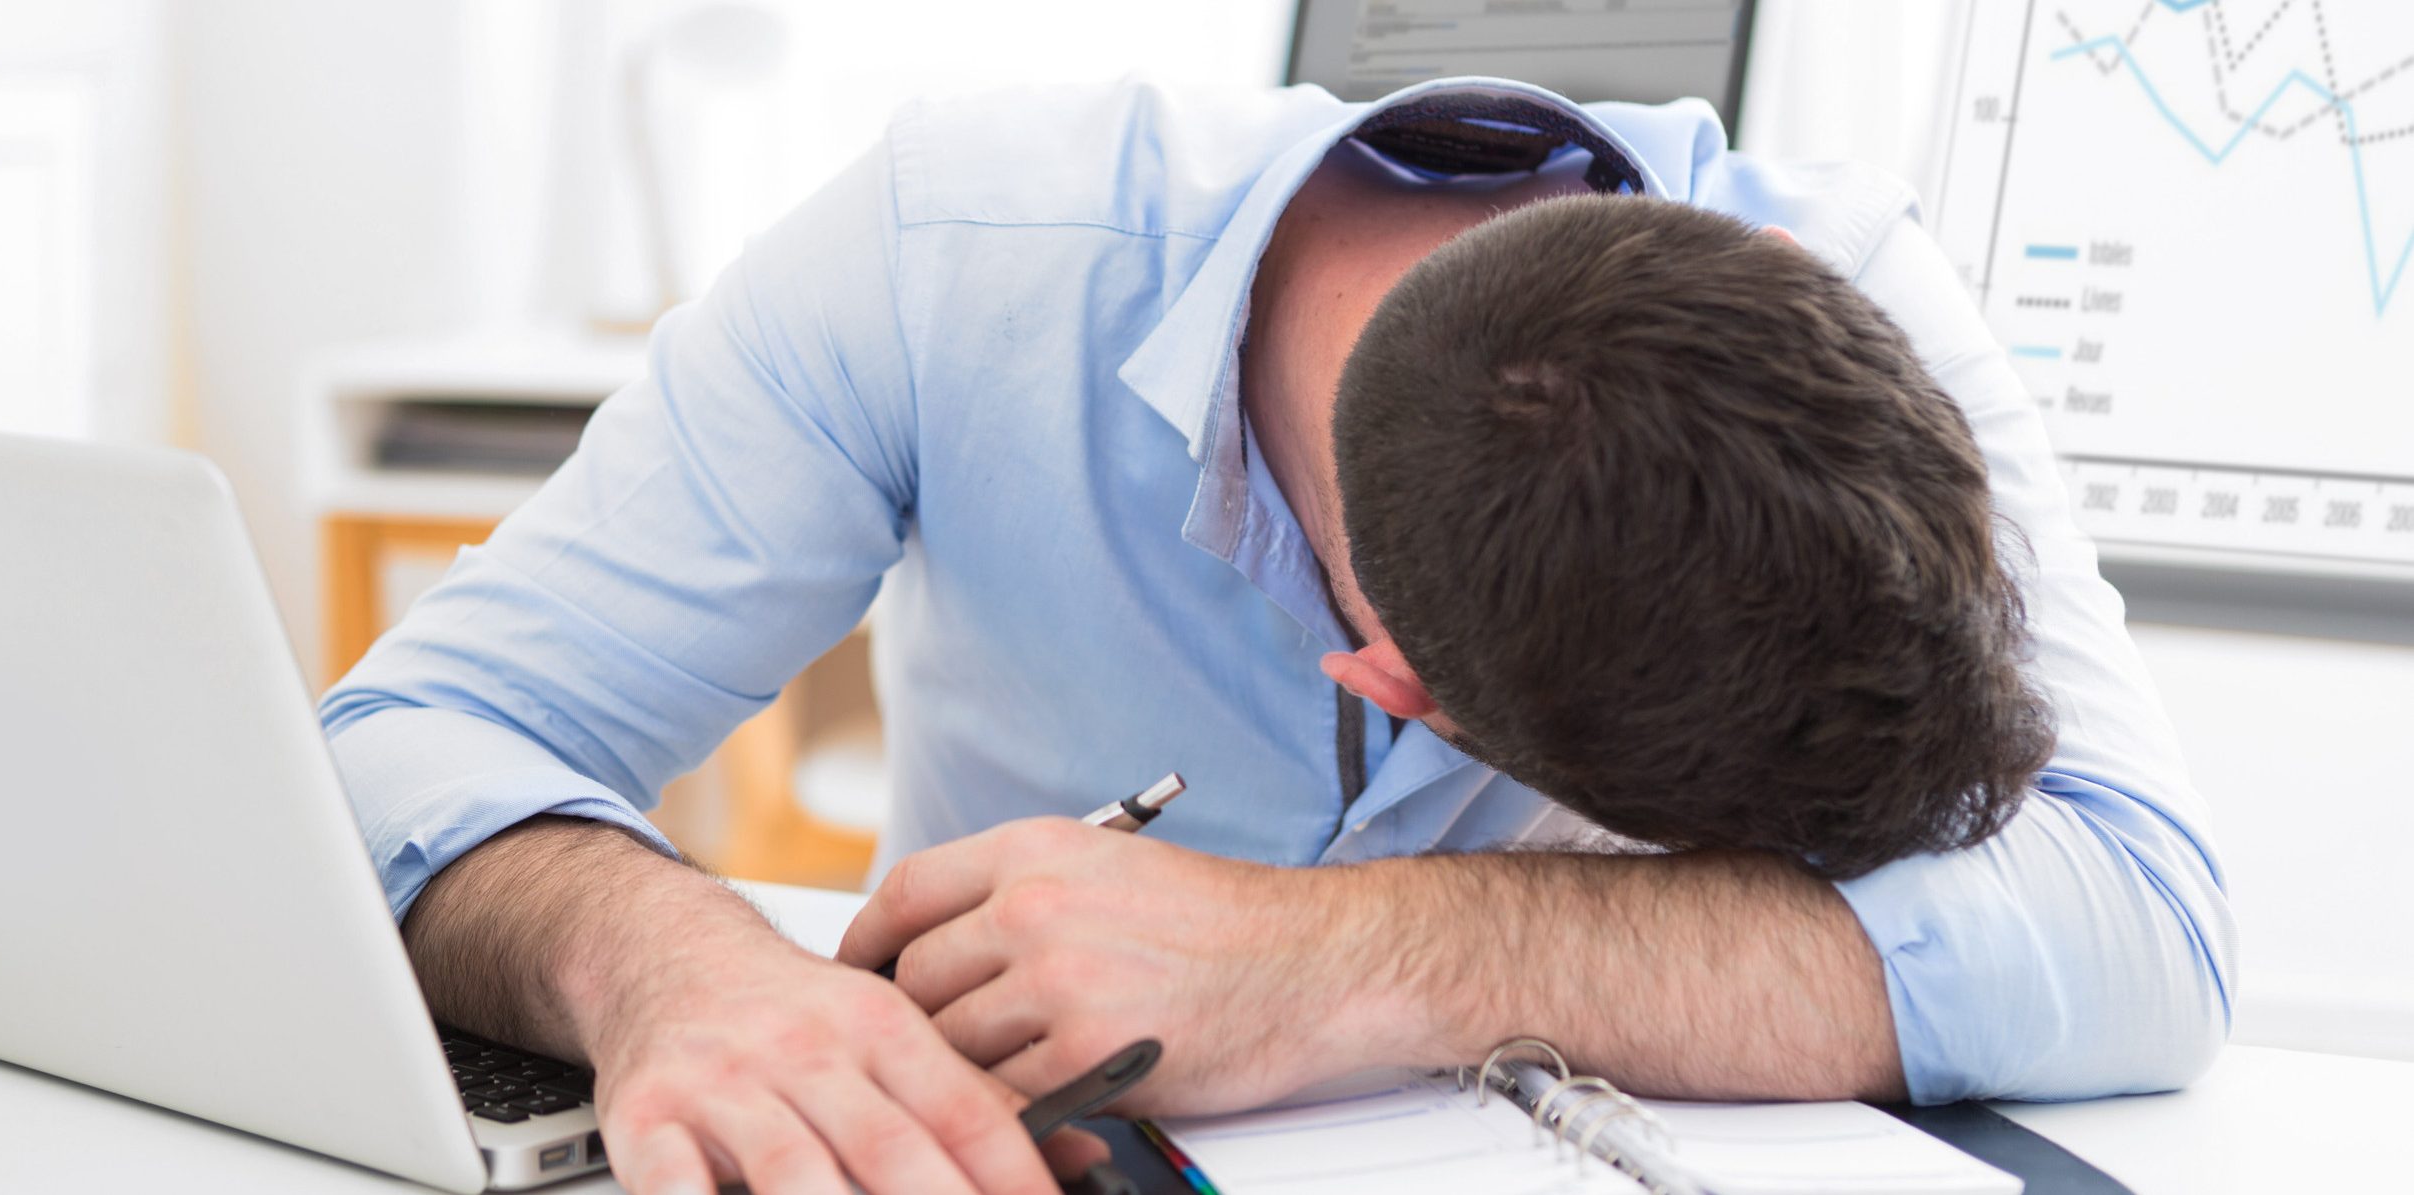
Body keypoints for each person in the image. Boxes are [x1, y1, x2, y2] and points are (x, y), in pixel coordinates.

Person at [321, 79, 2233, 1195]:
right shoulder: (940, 258)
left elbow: (2133, 915)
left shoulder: (1842, 306)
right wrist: (673, 968)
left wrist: (1348, 960)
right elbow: (404, 734)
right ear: (1389, 679)